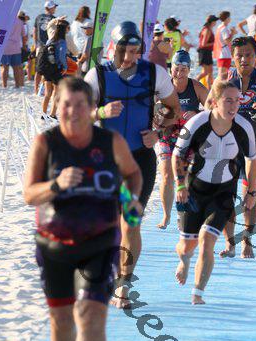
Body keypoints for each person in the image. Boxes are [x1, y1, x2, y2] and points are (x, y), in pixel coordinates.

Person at [23, 77, 143, 341]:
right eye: (66, 104)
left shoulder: (110, 141)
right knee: (61, 319)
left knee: (91, 313)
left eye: (80, 105)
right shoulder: (46, 143)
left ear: (92, 109)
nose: (72, 111)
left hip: (100, 241)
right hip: (54, 244)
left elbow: (133, 174)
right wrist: (56, 184)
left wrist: (131, 199)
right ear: (56, 106)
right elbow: (29, 194)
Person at [85, 21, 180, 307]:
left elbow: (174, 109)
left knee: (131, 223)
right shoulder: (97, 76)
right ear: (113, 48)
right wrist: (101, 111)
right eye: (123, 50)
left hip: (139, 159)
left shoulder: (155, 74)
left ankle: (123, 287)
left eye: (134, 51)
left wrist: (158, 132)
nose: (128, 57)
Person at [172, 80, 256, 305]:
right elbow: (177, 155)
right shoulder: (197, 123)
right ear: (215, 102)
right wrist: (180, 185)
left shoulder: (244, 127)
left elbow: (251, 160)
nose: (234, 105)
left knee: (207, 240)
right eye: (228, 100)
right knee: (186, 247)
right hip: (194, 191)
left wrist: (251, 192)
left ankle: (198, 293)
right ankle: (184, 260)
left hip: (223, 192)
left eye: (237, 100)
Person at [220, 36, 256, 259]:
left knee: (250, 194)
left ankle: (247, 240)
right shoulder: (226, 81)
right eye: (239, 56)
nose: (244, 59)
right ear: (233, 58)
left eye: (248, 55)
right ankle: (230, 244)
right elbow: (210, 109)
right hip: (229, 145)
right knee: (225, 196)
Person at [157, 50, 208, 229]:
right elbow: (151, 111)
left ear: (189, 70)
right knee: (166, 175)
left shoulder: (196, 87)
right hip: (166, 136)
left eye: (183, 69)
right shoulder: (163, 87)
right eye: (176, 69)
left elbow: (214, 110)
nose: (179, 73)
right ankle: (166, 215)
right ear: (171, 69)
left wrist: (197, 113)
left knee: (184, 177)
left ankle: (182, 214)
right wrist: (161, 115)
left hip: (188, 138)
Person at [37, 18, 68, 118]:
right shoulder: (62, 42)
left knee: (47, 93)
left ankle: (43, 114)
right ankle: (53, 114)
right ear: (64, 30)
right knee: (56, 93)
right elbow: (62, 56)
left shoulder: (50, 40)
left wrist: (57, 20)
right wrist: (65, 67)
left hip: (47, 69)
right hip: (56, 69)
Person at [33, 0, 58, 94]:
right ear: (50, 8)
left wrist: (35, 44)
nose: (55, 9)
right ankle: (43, 89)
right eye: (54, 7)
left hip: (39, 46)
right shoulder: (54, 19)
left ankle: (36, 89)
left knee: (39, 69)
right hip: (49, 46)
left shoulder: (38, 17)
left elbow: (35, 32)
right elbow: (55, 34)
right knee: (47, 68)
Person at [0, 16, 27, 88]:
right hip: (16, 48)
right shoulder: (20, 22)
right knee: (16, 68)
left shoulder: (3, 20)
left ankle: (4, 85)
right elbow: (24, 36)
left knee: (5, 67)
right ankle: (17, 85)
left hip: (4, 48)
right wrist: (24, 46)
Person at [213, 11, 236, 80]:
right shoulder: (224, 28)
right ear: (227, 18)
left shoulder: (219, 27)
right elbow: (227, 41)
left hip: (221, 53)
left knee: (222, 75)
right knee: (222, 75)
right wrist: (233, 33)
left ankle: (218, 86)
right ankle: (217, 86)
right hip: (224, 54)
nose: (230, 19)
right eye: (229, 17)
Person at [197, 15, 218, 89]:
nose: (216, 23)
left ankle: (209, 89)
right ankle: (194, 82)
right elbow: (203, 44)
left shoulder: (208, 29)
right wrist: (215, 43)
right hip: (204, 52)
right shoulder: (207, 30)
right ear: (212, 22)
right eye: (215, 21)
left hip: (207, 52)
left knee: (210, 72)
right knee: (205, 72)